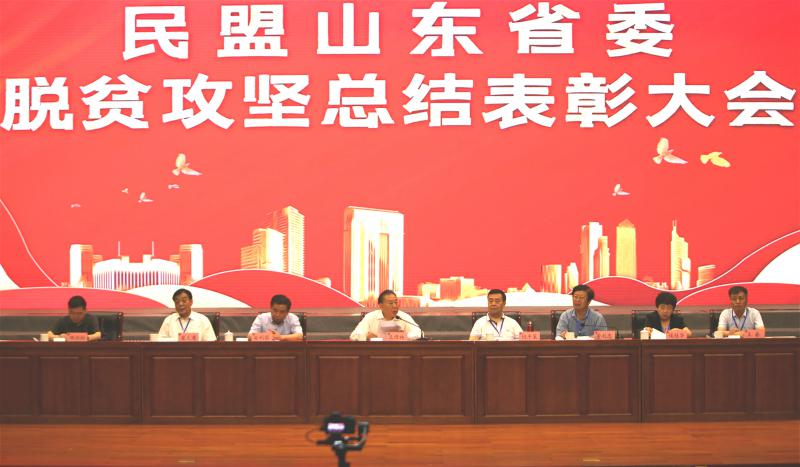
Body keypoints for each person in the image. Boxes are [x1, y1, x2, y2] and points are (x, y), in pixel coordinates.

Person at [350, 289, 422, 341]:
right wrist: (366, 337)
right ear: (381, 306)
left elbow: (419, 333)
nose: (394, 306)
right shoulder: (370, 317)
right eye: (391, 303)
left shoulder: (404, 317)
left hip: (399, 354)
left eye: (396, 302)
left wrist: (402, 336)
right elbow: (354, 336)